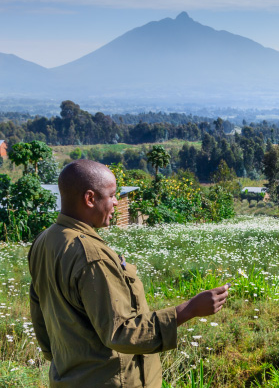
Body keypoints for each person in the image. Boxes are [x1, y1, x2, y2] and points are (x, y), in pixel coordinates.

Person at [28, 160, 230, 387]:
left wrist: (62, 360)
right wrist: (189, 309)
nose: (116, 202)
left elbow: (39, 313)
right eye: (111, 195)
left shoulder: (45, 240)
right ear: (90, 198)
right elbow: (121, 332)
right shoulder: (90, 255)